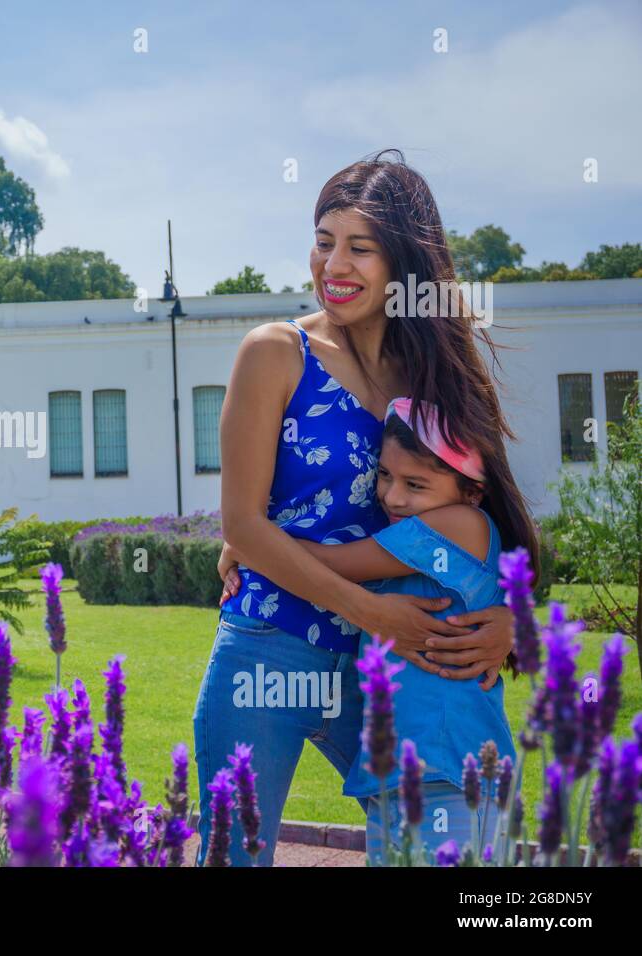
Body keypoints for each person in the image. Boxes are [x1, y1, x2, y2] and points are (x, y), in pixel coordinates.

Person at [193, 149, 516, 866]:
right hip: (267, 649)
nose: (333, 264)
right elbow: (242, 523)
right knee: (233, 858)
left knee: (414, 848)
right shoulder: (276, 352)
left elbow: (485, 522)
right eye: (323, 240)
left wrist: (508, 622)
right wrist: (368, 608)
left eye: (359, 248)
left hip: (387, 668)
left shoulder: (439, 375)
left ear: (404, 264)